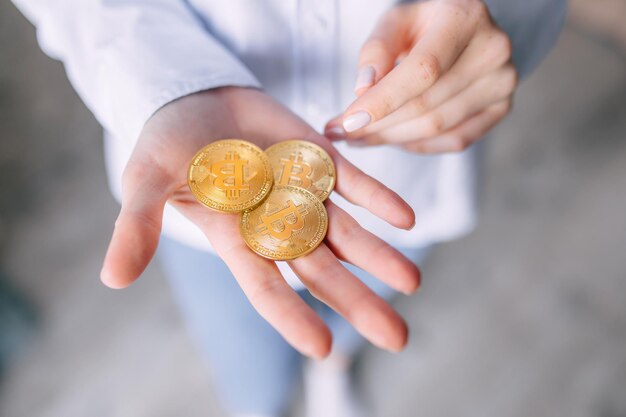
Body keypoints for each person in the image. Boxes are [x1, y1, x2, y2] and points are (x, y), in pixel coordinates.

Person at [12, 0, 566, 416]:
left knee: (360, 312)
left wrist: (496, 21)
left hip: (404, 173)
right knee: (251, 376)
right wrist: (169, 84)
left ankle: (334, 367)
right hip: (199, 203)